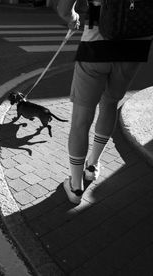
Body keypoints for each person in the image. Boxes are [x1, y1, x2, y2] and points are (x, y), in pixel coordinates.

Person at [56, 0, 152, 204]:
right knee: (110, 104)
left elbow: (64, 9)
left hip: (96, 44)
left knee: (81, 118)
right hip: (135, 47)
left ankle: (75, 186)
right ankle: (92, 166)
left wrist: (73, 18)